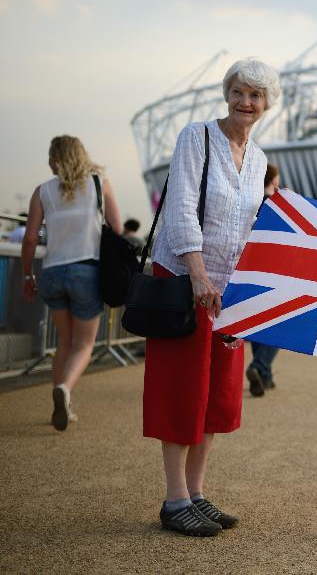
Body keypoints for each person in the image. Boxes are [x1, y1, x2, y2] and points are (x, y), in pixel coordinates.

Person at [142, 58, 281, 536]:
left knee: (217, 396)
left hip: (229, 291)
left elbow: (249, 229)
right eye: (239, 92)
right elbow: (180, 206)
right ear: (227, 93)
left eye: (256, 96)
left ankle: (197, 493)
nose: (246, 102)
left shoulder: (259, 159)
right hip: (186, 280)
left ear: (267, 104)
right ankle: (174, 498)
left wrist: (246, 291)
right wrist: (198, 275)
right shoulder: (196, 136)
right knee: (182, 389)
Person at [20, 136, 123, 431]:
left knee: (64, 342)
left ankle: (63, 398)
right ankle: (64, 390)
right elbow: (116, 228)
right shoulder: (98, 183)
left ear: (56, 158)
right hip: (86, 271)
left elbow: (29, 238)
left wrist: (28, 276)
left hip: (52, 272)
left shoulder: (43, 191)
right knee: (84, 344)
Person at [245, 163, 282, 397]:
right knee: (276, 326)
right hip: (273, 270)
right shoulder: (278, 205)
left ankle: (264, 375)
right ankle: (259, 367)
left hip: (249, 270)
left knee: (257, 324)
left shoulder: (249, 202)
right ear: (273, 179)